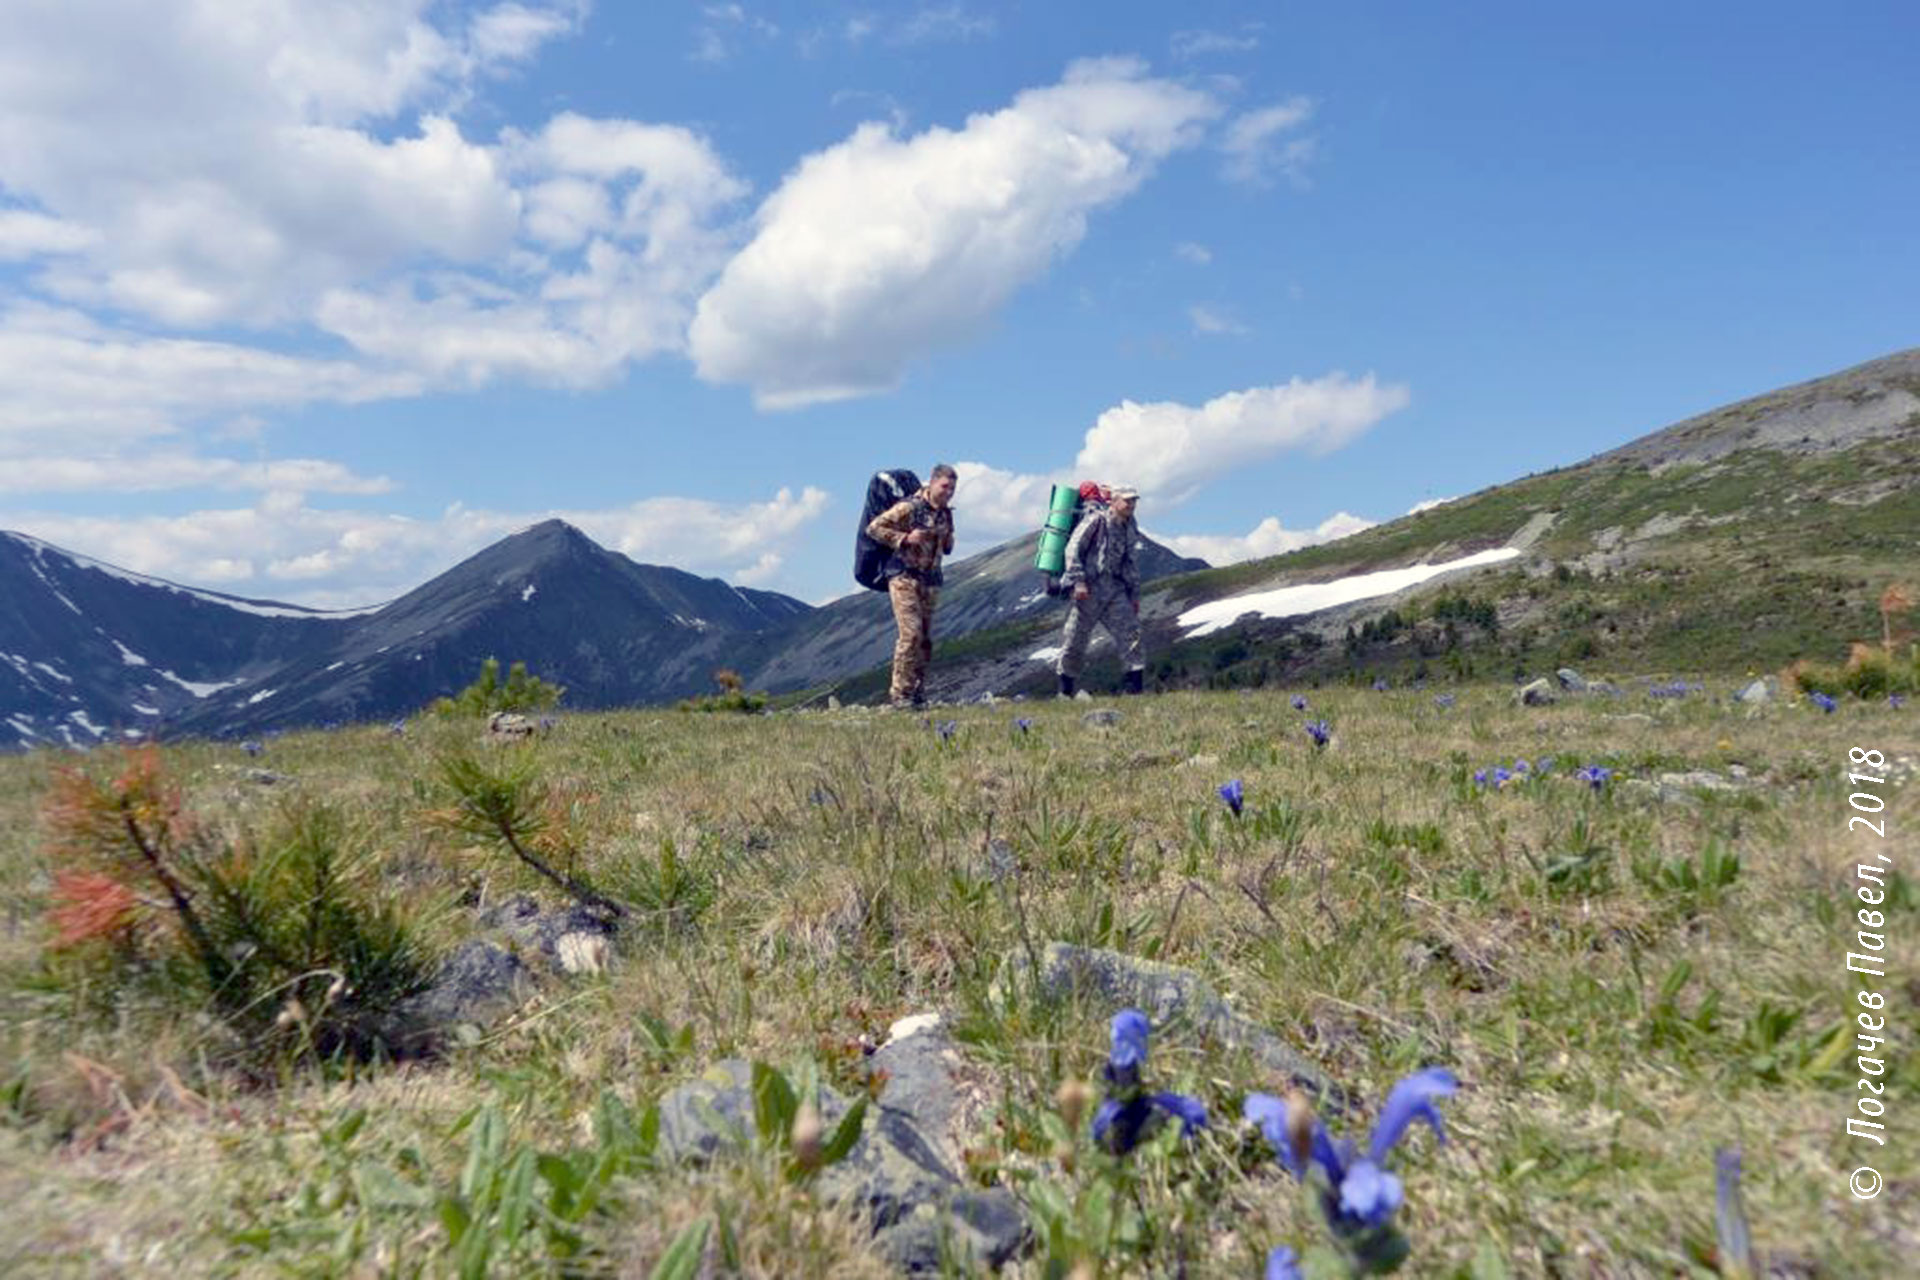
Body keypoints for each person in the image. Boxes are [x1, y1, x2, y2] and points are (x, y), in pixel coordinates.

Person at [866, 464, 957, 708]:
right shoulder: (910, 507)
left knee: (925, 639)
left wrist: (945, 537)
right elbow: (874, 528)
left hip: (930, 580)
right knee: (911, 634)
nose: (949, 492)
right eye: (945, 486)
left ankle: (918, 691)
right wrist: (904, 539)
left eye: (953, 488)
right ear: (933, 482)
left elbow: (948, 547)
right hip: (904, 577)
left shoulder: (945, 513)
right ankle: (900, 694)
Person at [1056, 485, 1145, 697]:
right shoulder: (1096, 522)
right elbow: (1072, 550)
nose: (1131, 504)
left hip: (1115, 589)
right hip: (1088, 589)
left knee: (1131, 634)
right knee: (1075, 639)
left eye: (1134, 501)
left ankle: (1134, 690)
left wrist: (1134, 595)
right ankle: (1065, 691)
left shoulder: (1130, 526)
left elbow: (1130, 562)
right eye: (1127, 500)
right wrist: (1078, 582)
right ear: (1114, 501)